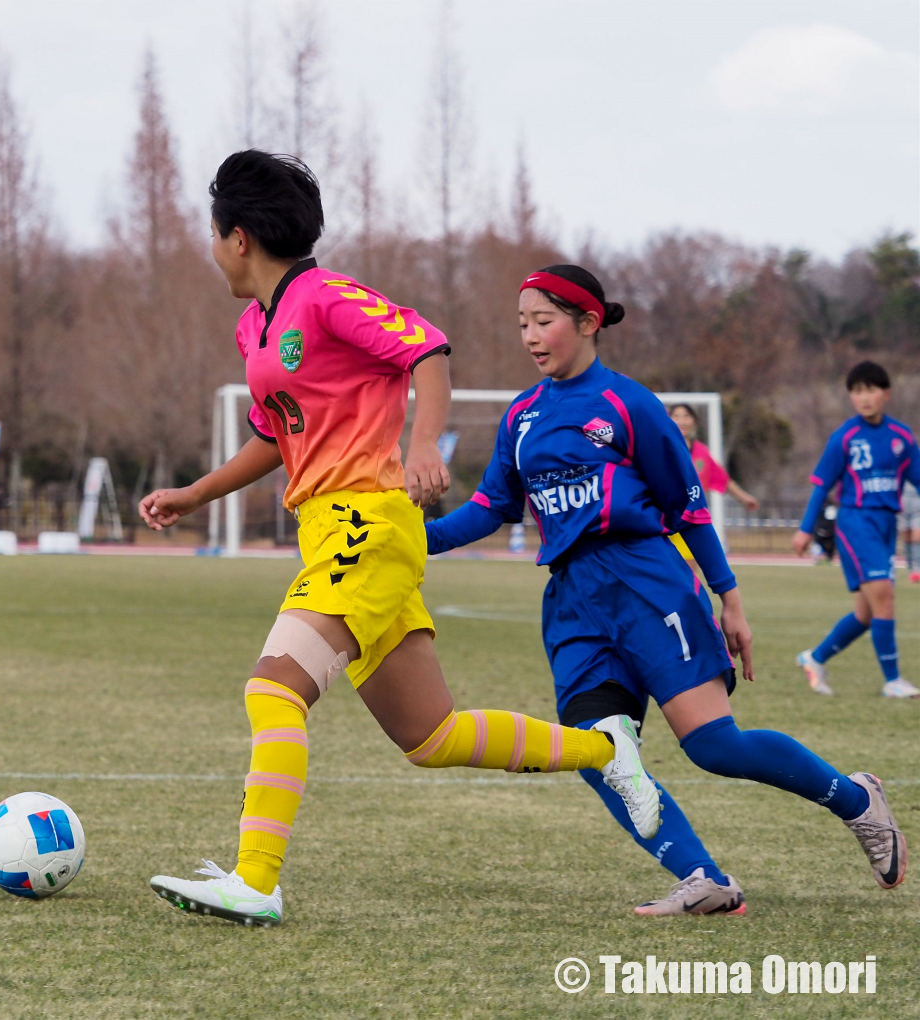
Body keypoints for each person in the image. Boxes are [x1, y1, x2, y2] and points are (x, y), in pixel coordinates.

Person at [137, 153, 660, 927]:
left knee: (273, 690)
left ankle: (255, 880)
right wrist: (194, 493)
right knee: (430, 734)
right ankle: (608, 751)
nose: (212, 250)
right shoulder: (255, 326)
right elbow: (276, 435)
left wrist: (422, 446)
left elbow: (427, 350)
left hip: (367, 525)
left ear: (238, 237)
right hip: (332, 533)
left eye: (213, 235)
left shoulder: (325, 296)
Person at [427, 265, 908, 910]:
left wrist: (729, 597)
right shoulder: (522, 415)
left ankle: (857, 800)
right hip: (572, 602)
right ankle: (704, 878)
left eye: (543, 321)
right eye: (522, 324)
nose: (530, 337)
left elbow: (690, 509)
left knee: (714, 746)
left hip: (647, 584)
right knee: (599, 754)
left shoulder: (629, 404)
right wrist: (413, 538)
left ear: (588, 322)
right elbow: (491, 506)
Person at [794, 361, 920, 699]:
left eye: (871, 390)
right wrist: (805, 530)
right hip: (856, 523)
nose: (864, 397)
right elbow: (822, 486)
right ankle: (893, 680)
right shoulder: (845, 437)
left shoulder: (902, 437)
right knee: (885, 598)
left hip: (886, 525)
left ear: (886, 394)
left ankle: (815, 658)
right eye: (857, 391)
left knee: (866, 613)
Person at [668, 404, 759, 513]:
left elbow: (722, 479)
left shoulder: (701, 452)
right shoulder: (661, 449)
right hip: (667, 514)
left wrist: (744, 498)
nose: (681, 421)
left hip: (694, 514)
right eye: (676, 416)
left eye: (686, 416)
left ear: (694, 421)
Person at [900, 481, 920, 583]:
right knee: (906, 539)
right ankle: (910, 569)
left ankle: (918, 569)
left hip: (918, 502)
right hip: (903, 503)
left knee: (917, 537)